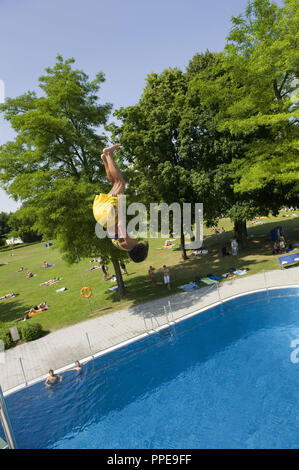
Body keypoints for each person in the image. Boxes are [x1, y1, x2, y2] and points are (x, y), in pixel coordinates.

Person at [93, 144, 149, 263]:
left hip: (108, 215)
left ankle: (107, 153)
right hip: (100, 215)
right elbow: (111, 231)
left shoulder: (130, 244)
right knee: (115, 183)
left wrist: (121, 205)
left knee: (121, 183)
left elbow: (120, 225)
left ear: (140, 252)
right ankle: (105, 158)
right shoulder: (122, 247)